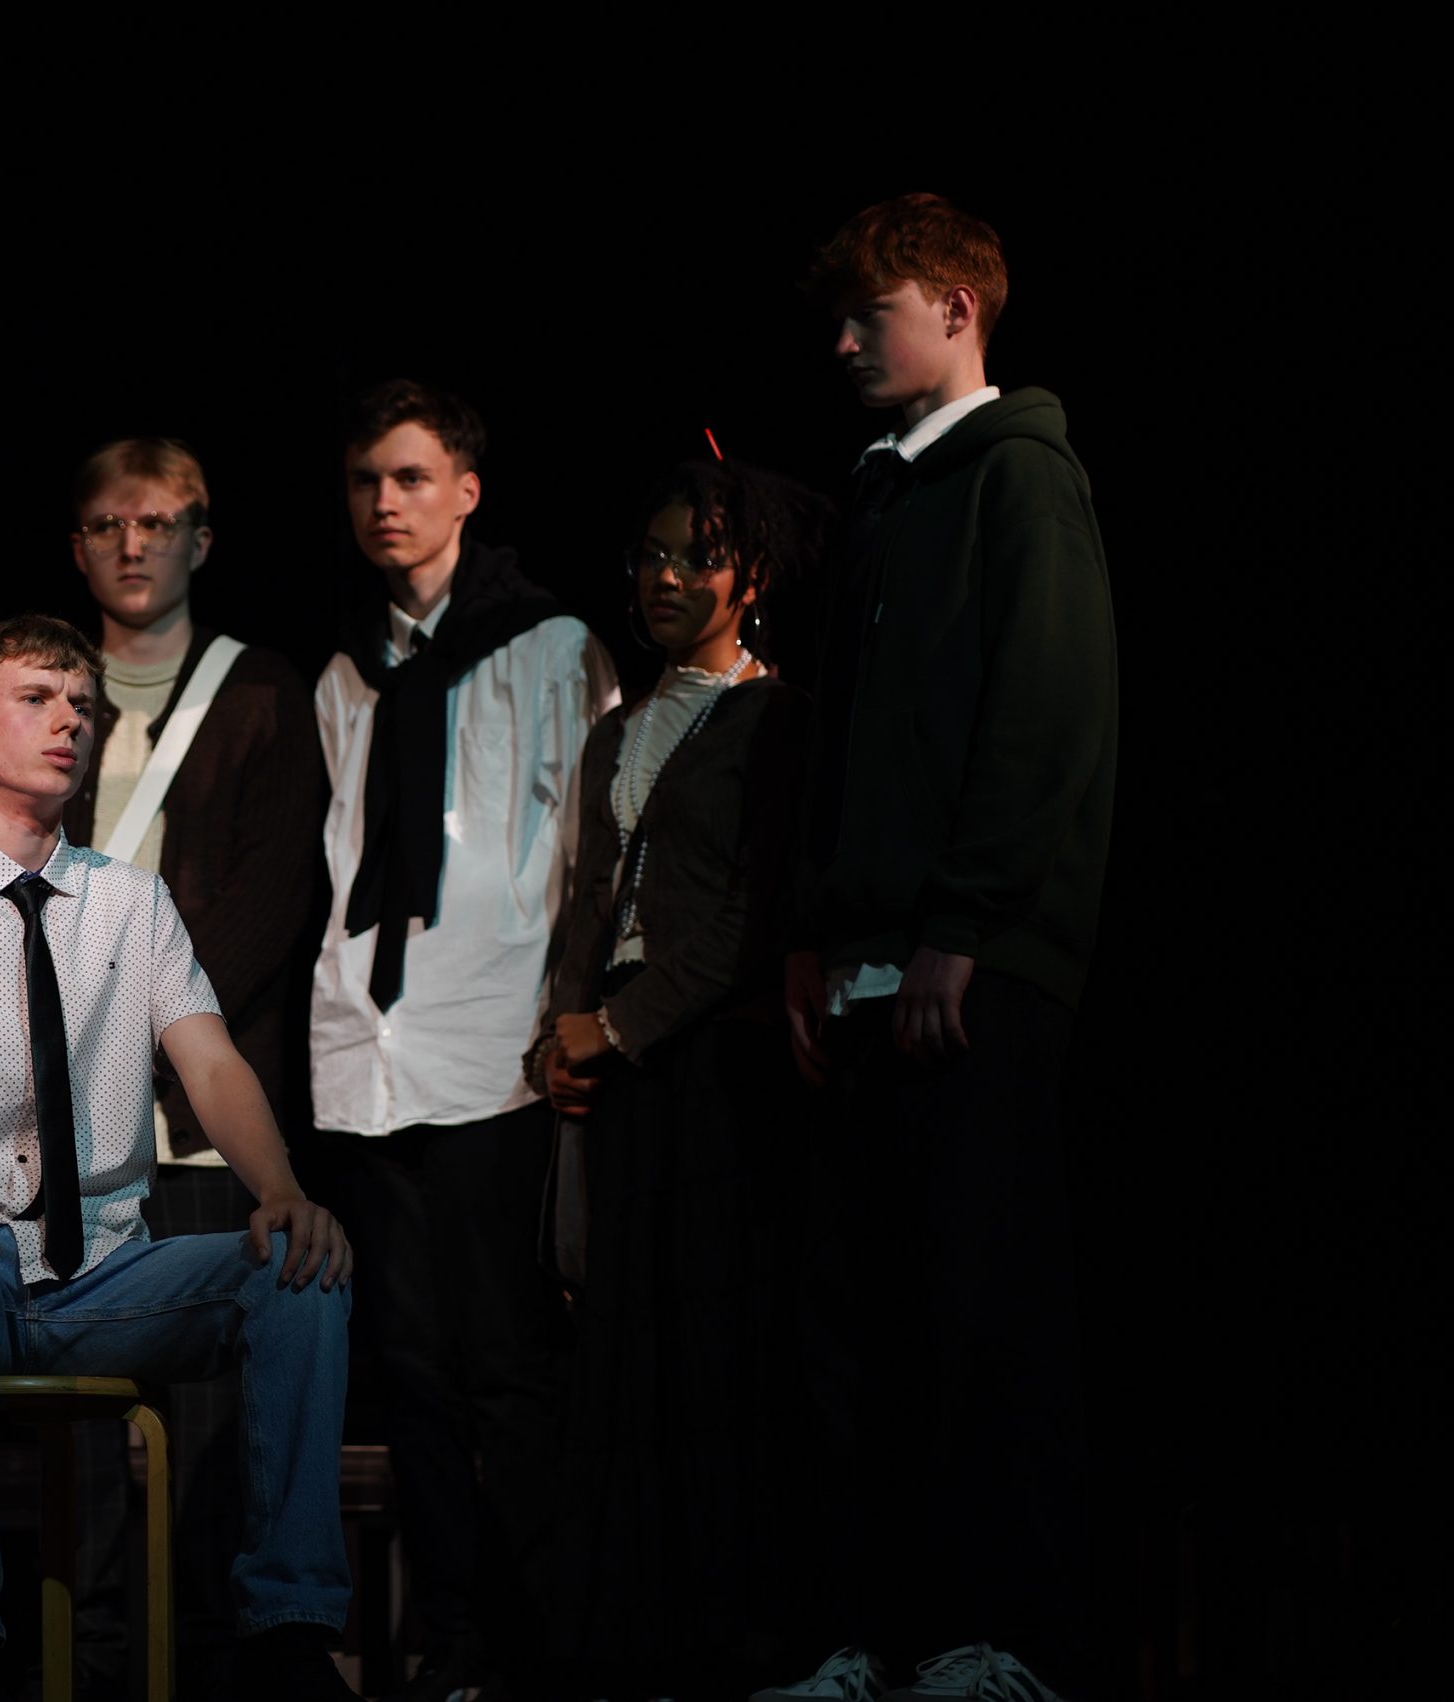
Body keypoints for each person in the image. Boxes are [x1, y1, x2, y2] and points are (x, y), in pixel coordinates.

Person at [0, 614, 360, 1702]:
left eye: (81, 703)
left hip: (102, 1277)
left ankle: (289, 1630)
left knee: (297, 1267)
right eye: (37, 698)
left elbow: (209, 1063)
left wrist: (282, 1191)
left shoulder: (131, 901)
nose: (68, 719)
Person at [755, 193, 1117, 1702]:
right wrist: (810, 934)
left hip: (973, 969)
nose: (844, 343)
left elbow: (1045, 711)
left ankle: (994, 1638)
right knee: (856, 1324)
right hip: (862, 967)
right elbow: (841, 745)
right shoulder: (882, 493)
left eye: (872, 314)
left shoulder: (1019, 473)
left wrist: (962, 929)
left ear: (956, 308)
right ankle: (867, 1639)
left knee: (979, 1312)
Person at [302, 378, 613, 1700]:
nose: (386, 502)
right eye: (367, 480)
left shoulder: (551, 647)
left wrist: (573, 1014)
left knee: (507, 1362)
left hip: (497, 1044)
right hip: (367, 1048)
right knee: (410, 1365)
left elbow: (587, 853)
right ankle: (450, 1637)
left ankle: (543, 1636)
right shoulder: (343, 666)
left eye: (412, 477)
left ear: (467, 491)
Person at [524, 459, 821, 1698]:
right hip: (619, 1065)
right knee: (618, 1347)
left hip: (717, 1064)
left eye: (696, 557)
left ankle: (730, 1638)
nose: (664, 576)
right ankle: (624, 1638)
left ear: (751, 577)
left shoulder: (776, 717)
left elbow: (754, 913)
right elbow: (587, 899)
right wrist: (559, 1036)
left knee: (712, 1343)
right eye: (649, 555)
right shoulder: (615, 728)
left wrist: (623, 1025)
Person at [57, 437, 327, 1700]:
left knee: (214, 1430)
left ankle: (217, 1665)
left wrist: (137, 1020)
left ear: (200, 541)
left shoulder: (261, 691)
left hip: (201, 1112)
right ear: (77, 545)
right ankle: (89, 1662)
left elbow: (274, 898)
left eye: (157, 522)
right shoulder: (45, 688)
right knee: (78, 1425)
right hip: (62, 1123)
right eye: (109, 523)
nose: (132, 544)